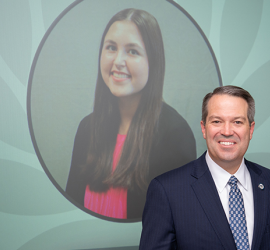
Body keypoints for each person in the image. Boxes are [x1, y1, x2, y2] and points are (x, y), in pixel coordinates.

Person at [135, 85, 270, 250]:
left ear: (250, 129)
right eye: (217, 121)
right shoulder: (167, 191)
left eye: (237, 122)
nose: (227, 131)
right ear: (203, 127)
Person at [65, 9, 196, 220]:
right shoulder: (87, 129)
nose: (118, 61)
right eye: (111, 48)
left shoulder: (175, 135)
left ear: (153, 62)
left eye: (132, 51)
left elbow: (180, 226)